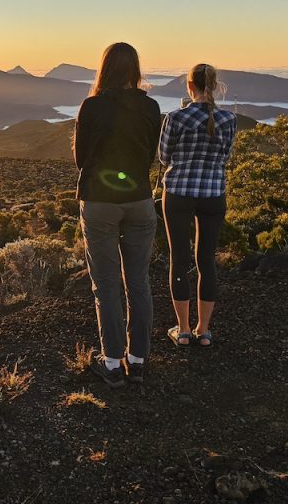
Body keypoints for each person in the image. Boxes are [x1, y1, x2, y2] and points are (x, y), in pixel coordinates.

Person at [74, 43, 162, 387]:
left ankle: (111, 363)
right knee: (138, 281)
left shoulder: (92, 106)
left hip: (99, 201)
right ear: (135, 70)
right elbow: (151, 156)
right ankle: (137, 360)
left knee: (106, 284)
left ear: (105, 68)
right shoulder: (151, 107)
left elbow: (82, 159)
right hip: (139, 200)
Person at [159, 64, 237, 348]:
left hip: (178, 192)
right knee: (206, 261)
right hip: (213, 193)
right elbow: (225, 156)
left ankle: (182, 330)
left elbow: (164, 157)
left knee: (179, 259)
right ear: (215, 86)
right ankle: (203, 330)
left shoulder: (175, 118)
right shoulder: (229, 119)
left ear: (189, 86)